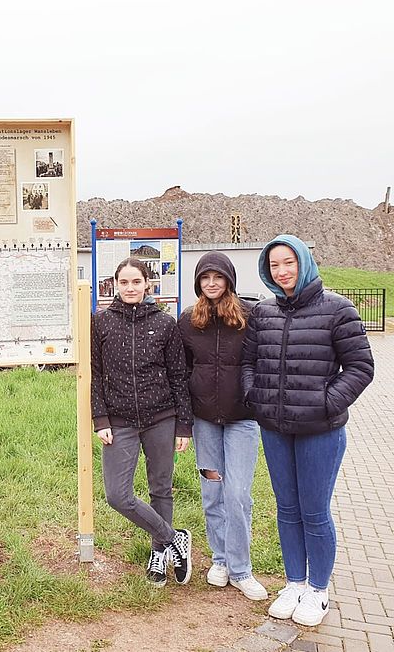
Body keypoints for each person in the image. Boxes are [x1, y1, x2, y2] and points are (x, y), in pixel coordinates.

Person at [242, 235, 374, 626]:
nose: (282, 272)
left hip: (321, 431)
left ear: (304, 262)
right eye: (274, 265)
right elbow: (248, 363)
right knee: (286, 509)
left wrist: (325, 403)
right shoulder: (263, 313)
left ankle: (318, 590)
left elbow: (361, 368)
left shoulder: (338, 310)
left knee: (314, 512)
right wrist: (255, 397)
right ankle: (294, 583)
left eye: (289, 263)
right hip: (276, 429)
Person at [91, 257, 194, 587]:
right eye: (124, 283)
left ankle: (159, 554)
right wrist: (100, 418)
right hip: (118, 421)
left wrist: (184, 425)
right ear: (115, 285)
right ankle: (174, 539)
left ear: (147, 285)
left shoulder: (165, 324)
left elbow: (179, 375)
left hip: (161, 418)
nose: (130, 288)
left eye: (136, 282)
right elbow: (95, 374)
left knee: (160, 488)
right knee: (117, 495)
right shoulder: (102, 322)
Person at [178, 252, 267, 601]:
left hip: (242, 421)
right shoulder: (188, 320)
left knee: (238, 494)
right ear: (199, 282)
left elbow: (263, 361)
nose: (211, 283)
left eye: (218, 277)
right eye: (205, 278)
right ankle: (220, 560)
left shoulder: (250, 316)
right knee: (213, 491)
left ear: (228, 279)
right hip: (205, 423)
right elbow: (182, 371)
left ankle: (241, 569)